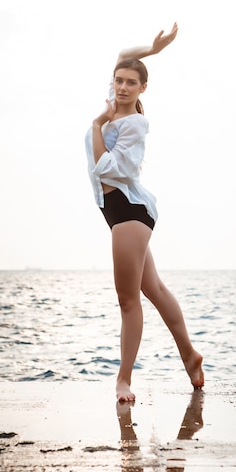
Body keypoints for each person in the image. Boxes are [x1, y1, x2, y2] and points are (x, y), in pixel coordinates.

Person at [85, 23, 204, 402]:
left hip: (129, 212)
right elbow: (122, 55)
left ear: (142, 89)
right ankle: (190, 355)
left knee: (128, 300)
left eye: (130, 83)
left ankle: (124, 381)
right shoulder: (114, 101)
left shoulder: (134, 124)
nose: (121, 87)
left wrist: (97, 124)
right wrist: (152, 50)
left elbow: (107, 168)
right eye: (118, 81)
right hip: (118, 211)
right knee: (153, 288)